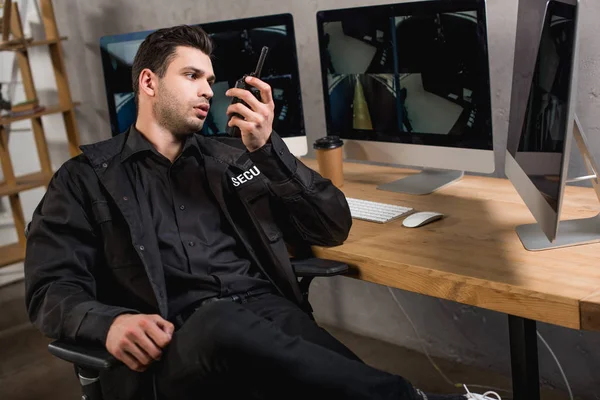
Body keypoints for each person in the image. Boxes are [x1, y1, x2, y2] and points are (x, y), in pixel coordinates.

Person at [24, 24, 499, 400]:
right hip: (177, 342)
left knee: (334, 374)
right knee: (221, 323)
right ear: (148, 82)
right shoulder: (85, 178)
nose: (208, 90)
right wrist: (106, 323)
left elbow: (331, 226)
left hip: (268, 316)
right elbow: (50, 287)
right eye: (192, 76)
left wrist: (268, 150)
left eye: (211, 80)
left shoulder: (232, 158)